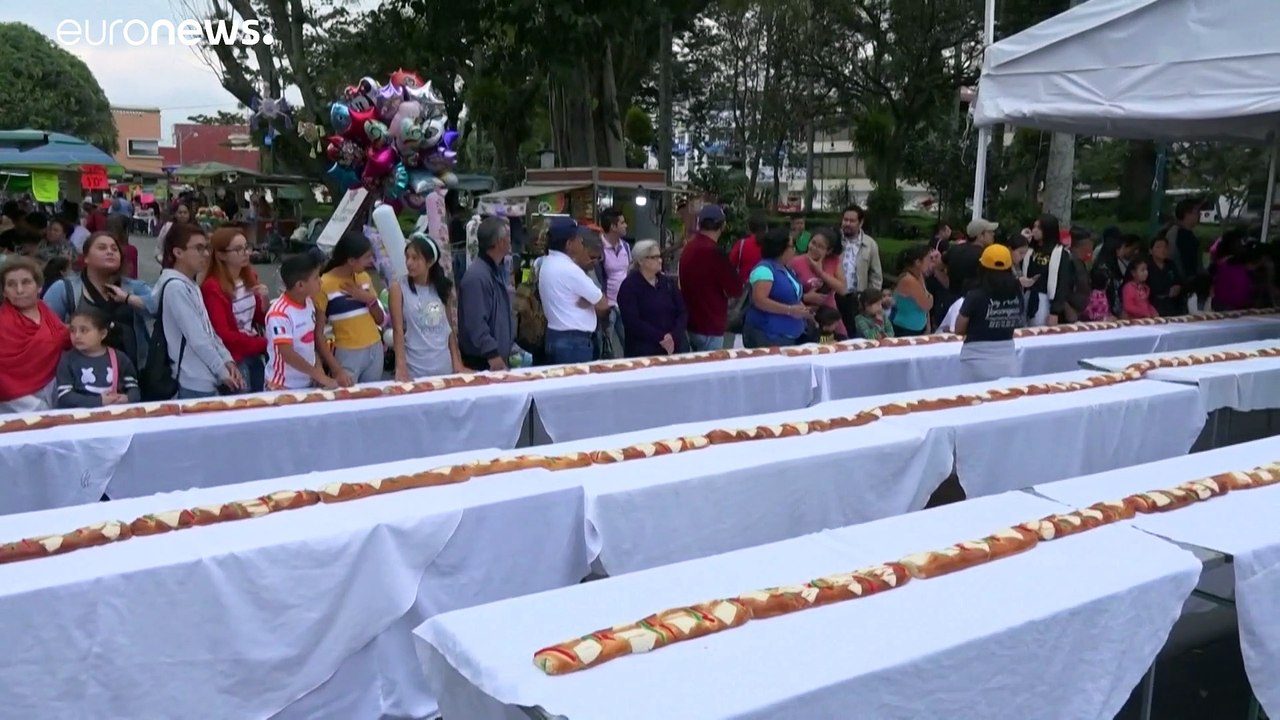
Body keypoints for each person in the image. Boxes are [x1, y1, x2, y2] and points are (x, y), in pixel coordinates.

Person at [43, 231, 155, 370]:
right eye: (102, 248)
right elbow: (45, 331)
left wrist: (128, 298)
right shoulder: (64, 289)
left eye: (114, 249)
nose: (110, 252)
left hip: (131, 373)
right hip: (80, 374)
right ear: (86, 258)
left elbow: (158, 309)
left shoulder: (134, 287)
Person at [157, 223, 243, 398]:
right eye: (199, 248)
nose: (205, 254)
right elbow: (197, 337)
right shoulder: (175, 287)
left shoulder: (190, 284)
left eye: (206, 248)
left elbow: (208, 331)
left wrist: (227, 359)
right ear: (178, 252)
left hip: (206, 374)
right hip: (193, 378)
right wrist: (221, 370)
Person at [314, 230, 386, 385]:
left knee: (372, 395)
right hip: (348, 353)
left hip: (375, 349)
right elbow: (318, 334)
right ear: (351, 261)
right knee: (346, 397)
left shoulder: (364, 277)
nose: (371, 261)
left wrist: (369, 299)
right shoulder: (323, 285)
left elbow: (380, 320)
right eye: (367, 257)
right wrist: (336, 369)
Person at [202, 227, 268, 392]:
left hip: (254, 351)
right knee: (243, 400)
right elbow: (222, 334)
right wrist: (263, 343)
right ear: (221, 255)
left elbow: (259, 318)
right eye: (238, 249)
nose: (246, 253)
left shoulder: (250, 277)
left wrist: (265, 300)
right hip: (234, 357)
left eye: (247, 247)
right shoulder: (212, 287)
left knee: (260, 396)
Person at [391, 233, 466, 379]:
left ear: (430, 262)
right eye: (407, 257)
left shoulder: (442, 288)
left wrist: (457, 362)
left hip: (444, 366)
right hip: (416, 369)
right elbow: (397, 330)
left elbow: (448, 328)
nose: (409, 263)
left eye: (415, 258)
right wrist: (400, 367)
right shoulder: (399, 288)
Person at [0, 257, 69, 412]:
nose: (19, 290)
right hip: (17, 403)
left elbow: (64, 340)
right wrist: (37, 407)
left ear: (39, 287)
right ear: (4, 292)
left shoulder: (47, 312)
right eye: (11, 284)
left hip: (56, 392)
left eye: (26, 282)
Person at [538, 218, 608, 364]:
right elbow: (602, 304)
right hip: (574, 342)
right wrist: (589, 302)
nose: (581, 241)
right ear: (569, 244)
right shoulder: (570, 270)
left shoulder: (547, 262)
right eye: (578, 239)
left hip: (556, 336)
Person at [266, 254, 338, 390]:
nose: (321, 282)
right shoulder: (279, 314)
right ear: (300, 285)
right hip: (283, 385)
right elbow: (287, 354)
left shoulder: (309, 302)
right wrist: (319, 376)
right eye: (316, 278)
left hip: (307, 381)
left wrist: (318, 367)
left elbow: (309, 342)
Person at [955, 244, 1025, 382]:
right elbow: (1019, 318)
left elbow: (959, 328)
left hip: (974, 362)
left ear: (982, 267)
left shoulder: (975, 295)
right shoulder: (1017, 293)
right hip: (1008, 361)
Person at [678, 204, 742, 352]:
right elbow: (735, 288)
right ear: (723, 225)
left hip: (690, 322)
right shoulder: (714, 253)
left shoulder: (688, 248)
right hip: (710, 325)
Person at [459, 217, 517, 371]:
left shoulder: (495, 271)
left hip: (495, 355)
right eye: (508, 237)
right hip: (484, 360)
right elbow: (476, 322)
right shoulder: (477, 277)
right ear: (500, 242)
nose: (510, 241)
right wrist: (492, 353)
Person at [54, 306, 141, 408]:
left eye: (84, 330)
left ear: (103, 334)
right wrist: (98, 401)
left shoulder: (119, 358)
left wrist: (127, 398)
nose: (77, 336)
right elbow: (65, 396)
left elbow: (134, 389)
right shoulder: (67, 359)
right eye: (72, 330)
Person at [616, 239, 688, 357]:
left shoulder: (667, 283)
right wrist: (661, 338)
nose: (660, 260)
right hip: (644, 351)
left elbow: (682, 311)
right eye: (654, 257)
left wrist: (673, 335)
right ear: (641, 261)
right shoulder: (629, 286)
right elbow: (632, 322)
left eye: (660, 256)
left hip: (675, 348)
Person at [742, 227, 808, 348]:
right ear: (781, 248)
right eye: (792, 246)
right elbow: (760, 301)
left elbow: (792, 295)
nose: (794, 250)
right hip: (767, 335)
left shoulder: (786, 269)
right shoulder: (764, 270)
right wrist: (789, 310)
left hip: (788, 334)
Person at [789, 227, 847, 337]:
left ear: (828, 251)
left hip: (830, 316)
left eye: (820, 247)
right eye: (813, 243)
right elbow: (787, 293)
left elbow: (842, 289)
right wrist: (805, 297)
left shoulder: (833, 261)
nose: (814, 248)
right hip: (807, 316)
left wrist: (820, 273)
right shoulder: (795, 262)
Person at [835, 204, 883, 331]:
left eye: (852, 221)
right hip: (834, 295)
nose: (847, 224)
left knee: (854, 331)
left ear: (860, 223)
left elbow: (876, 275)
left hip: (857, 298)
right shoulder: (834, 239)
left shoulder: (870, 244)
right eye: (845, 220)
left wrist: (871, 300)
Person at [598, 207, 631, 346]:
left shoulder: (626, 246)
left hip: (624, 303)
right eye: (622, 223)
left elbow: (628, 272)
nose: (626, 225)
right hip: (608, 305)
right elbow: (598, 278)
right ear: (613, 227)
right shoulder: (599, 249)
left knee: (628, 342)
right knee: (607, 346)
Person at [891, 245, 933, 336]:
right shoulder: (908, 280)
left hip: (917, 327)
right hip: (906, 329)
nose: (931, 262)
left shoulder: (918, 276)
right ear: (918, 262)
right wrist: (930, 297)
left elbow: (926, 304)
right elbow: (926, 304)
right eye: (928, 259)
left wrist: (928, 326)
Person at [1147, 236, 1185, 316]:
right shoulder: (1145, 265)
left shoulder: (1171, 264)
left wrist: (1177, 287)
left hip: (1171, 304)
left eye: (1165, 247)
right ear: (1150, 251)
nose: (1163, 250)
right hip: (1152, 305)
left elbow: (1178, 281)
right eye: (1158, 247)